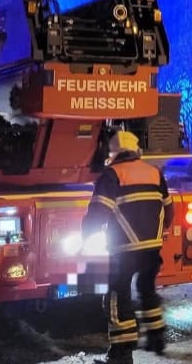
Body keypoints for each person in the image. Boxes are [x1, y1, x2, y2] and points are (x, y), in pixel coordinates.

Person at [82, 130, 173, 364]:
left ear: (112, 154)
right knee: (147, 288)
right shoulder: (154, 172)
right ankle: (157, 339)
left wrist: (86, 237)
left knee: (117, 296)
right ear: (136, 150)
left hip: (124, 250)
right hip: (152, 248)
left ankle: (121, 355)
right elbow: (168, 209)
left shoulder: (112, 175)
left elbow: (98, 212)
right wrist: (158, 232)